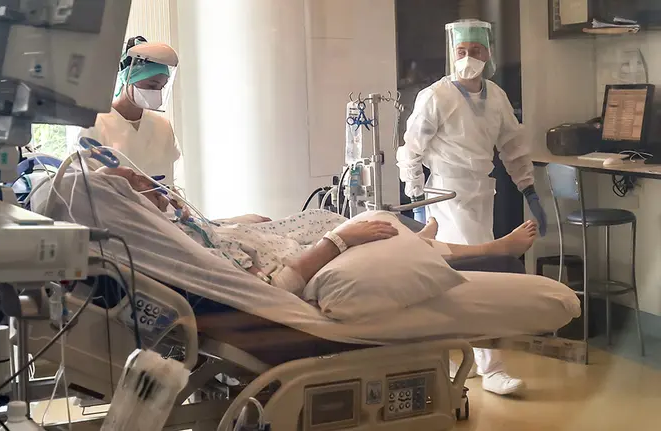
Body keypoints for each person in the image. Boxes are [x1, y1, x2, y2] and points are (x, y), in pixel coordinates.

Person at [395, 19, 548, 396]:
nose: (468, 58)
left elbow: (513, 146)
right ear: (452, 54)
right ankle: (490, 365)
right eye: (461, 51)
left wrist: (529, 189)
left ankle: (467, 358)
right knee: (472, 276)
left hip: (481, 194)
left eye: (476, 51)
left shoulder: (495, 96)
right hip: (443, 197)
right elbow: (411, 149)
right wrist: (417, 199)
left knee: (455, 279)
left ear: (488, 54)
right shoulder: (435, 96)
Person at [99, 167, 539, 296]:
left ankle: (425, 242)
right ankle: (485, 249)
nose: (151, 185)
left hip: (272, 240)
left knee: (332, 216)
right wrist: (340, 244)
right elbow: (274, 288)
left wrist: (229, 224)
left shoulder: (172, 230)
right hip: (293, 259)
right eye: (138, 186)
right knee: (364, 226)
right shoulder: (176, 249)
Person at [69, 36, 183, 185]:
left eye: (161, 87)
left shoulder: (163, 126)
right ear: (127, 78)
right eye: (151, 86)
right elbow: (81, 185)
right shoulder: (93, 123)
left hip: (160, 208)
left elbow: (173, 181)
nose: (157, 94)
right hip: (113, 207)